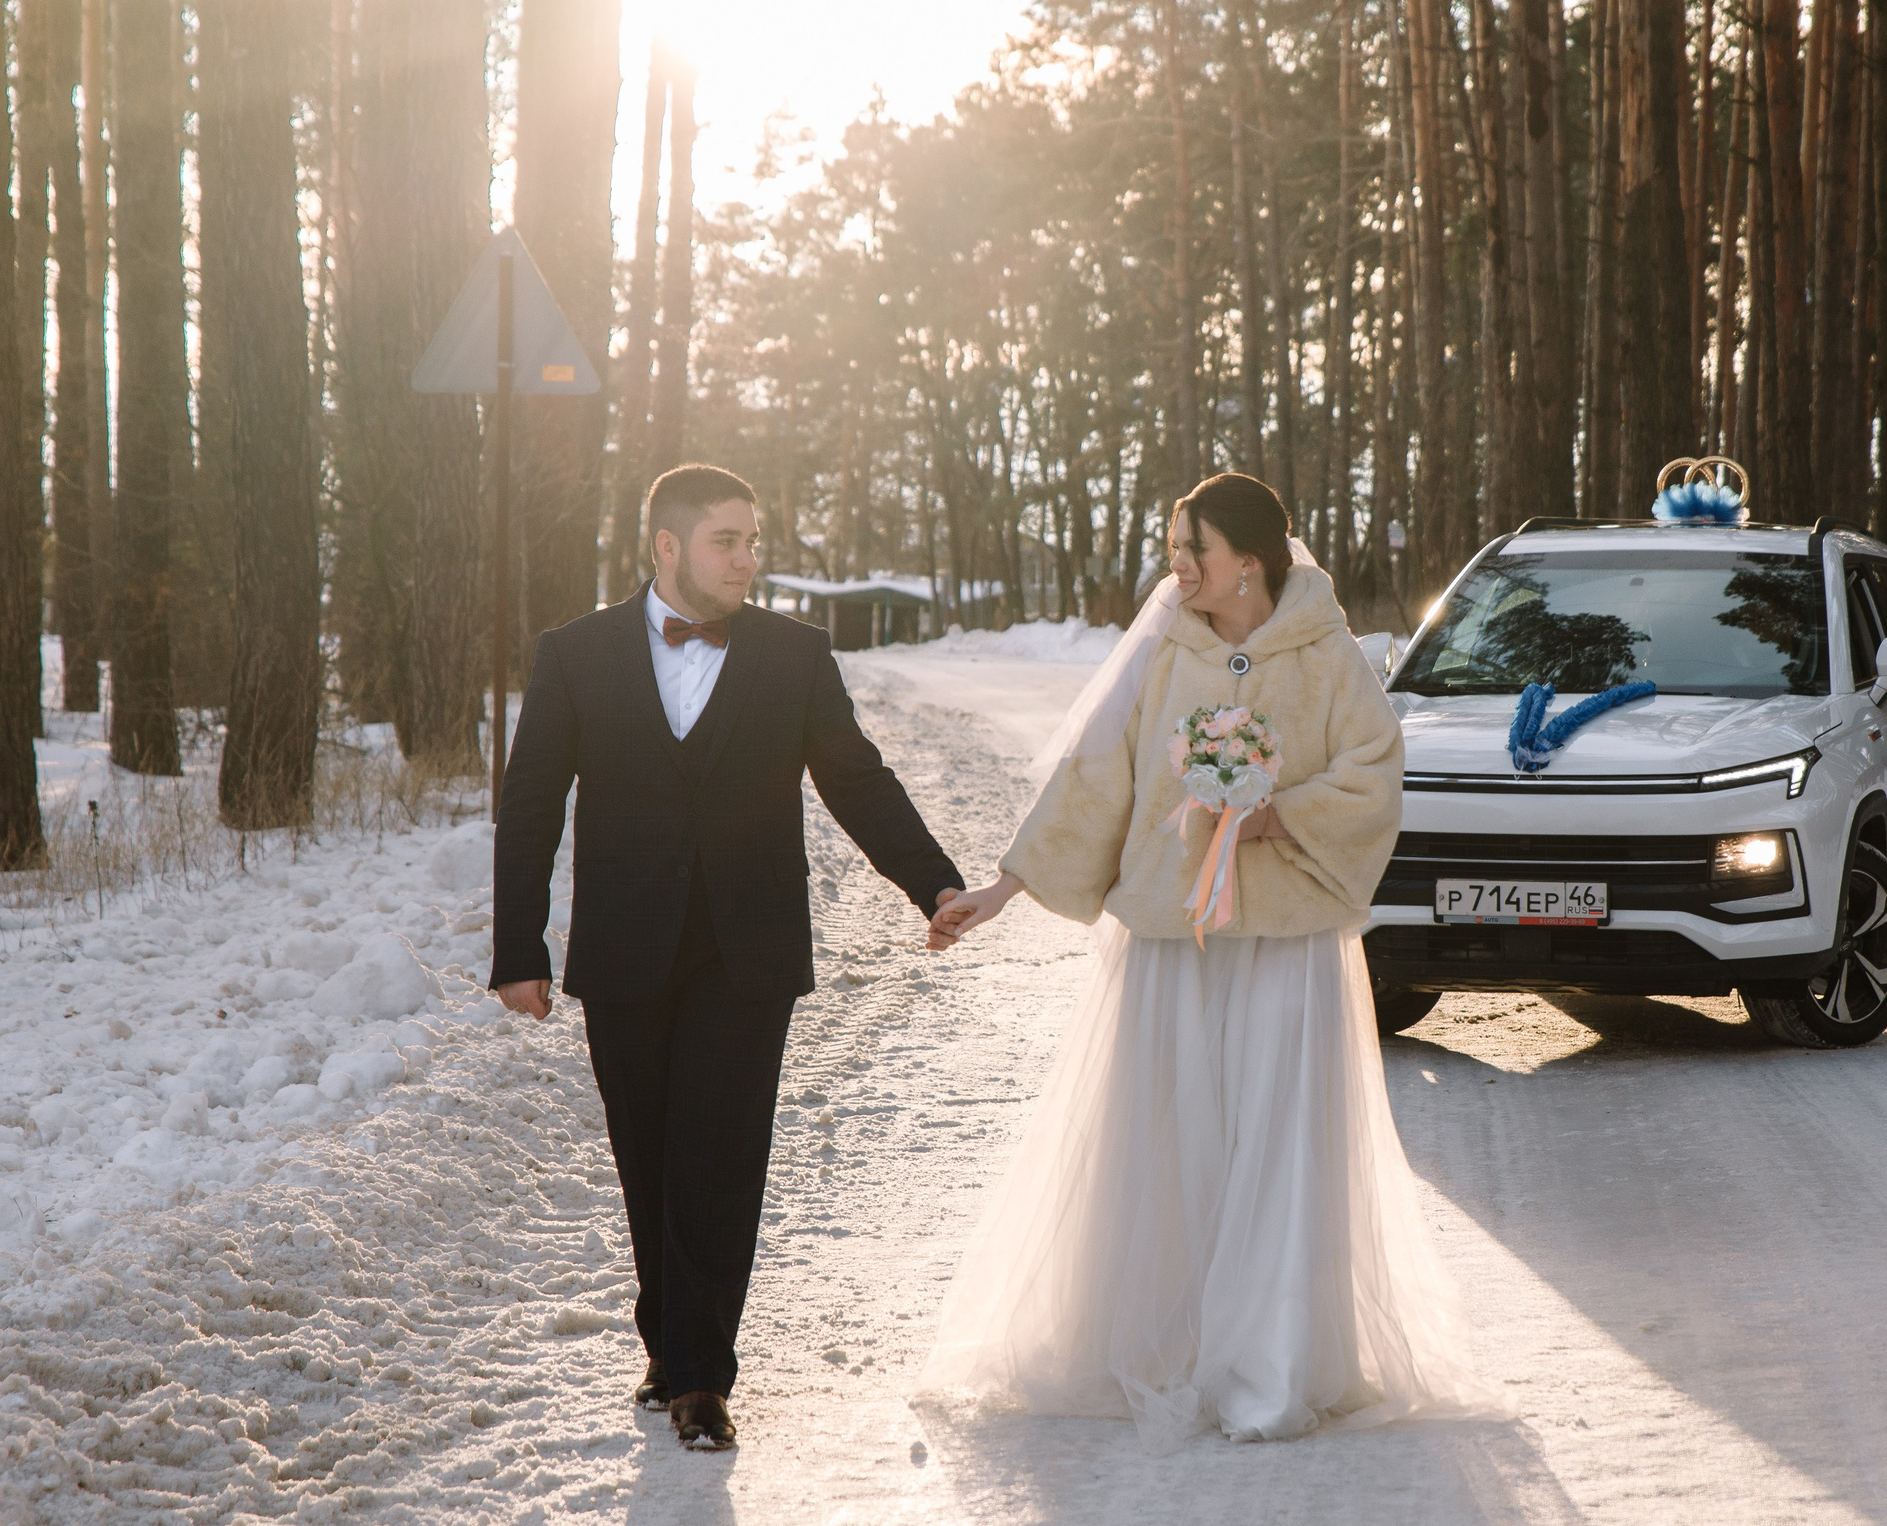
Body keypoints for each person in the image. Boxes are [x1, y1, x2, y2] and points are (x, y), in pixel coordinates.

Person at [921, 473, 1490, 1444]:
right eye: (1174, 547)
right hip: (1172, 943)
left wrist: (1283, 811)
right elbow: (1093, 777)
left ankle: (1271, 1364)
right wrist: (1004, 888)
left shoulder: (1328, 655)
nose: (1176, 567)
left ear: (1250, 564)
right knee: (1169, 1140)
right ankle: (1159, 1344)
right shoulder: (1160, 651)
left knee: (1277, 1142)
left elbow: (1373, 767)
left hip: (1287, 943)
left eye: (1194, 550)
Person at [491, 463, 967, 1452]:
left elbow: (856, 779)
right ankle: (668, 1340)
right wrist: (517, 947)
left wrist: (934, 884)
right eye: (727, 542)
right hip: (624, 945)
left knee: (720, 1155)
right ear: (666, 548)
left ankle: (703, 1377)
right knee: (648, 1156)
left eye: (753, 540)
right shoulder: (575, 655)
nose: (748, 559)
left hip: (747, 951)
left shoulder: (793, 657)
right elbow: (531, 803)